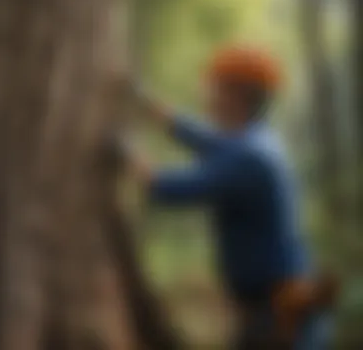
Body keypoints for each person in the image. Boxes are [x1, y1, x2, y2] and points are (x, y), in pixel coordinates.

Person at [119, 46, 336, 349]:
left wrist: (122, 148)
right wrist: (141, 99)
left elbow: (166, 189)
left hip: (279, 318)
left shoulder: (249, 156)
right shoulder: (252, 143)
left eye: (217, 89)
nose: (209, 97)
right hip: (271, 313)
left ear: (239, 96)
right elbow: (196, 135)